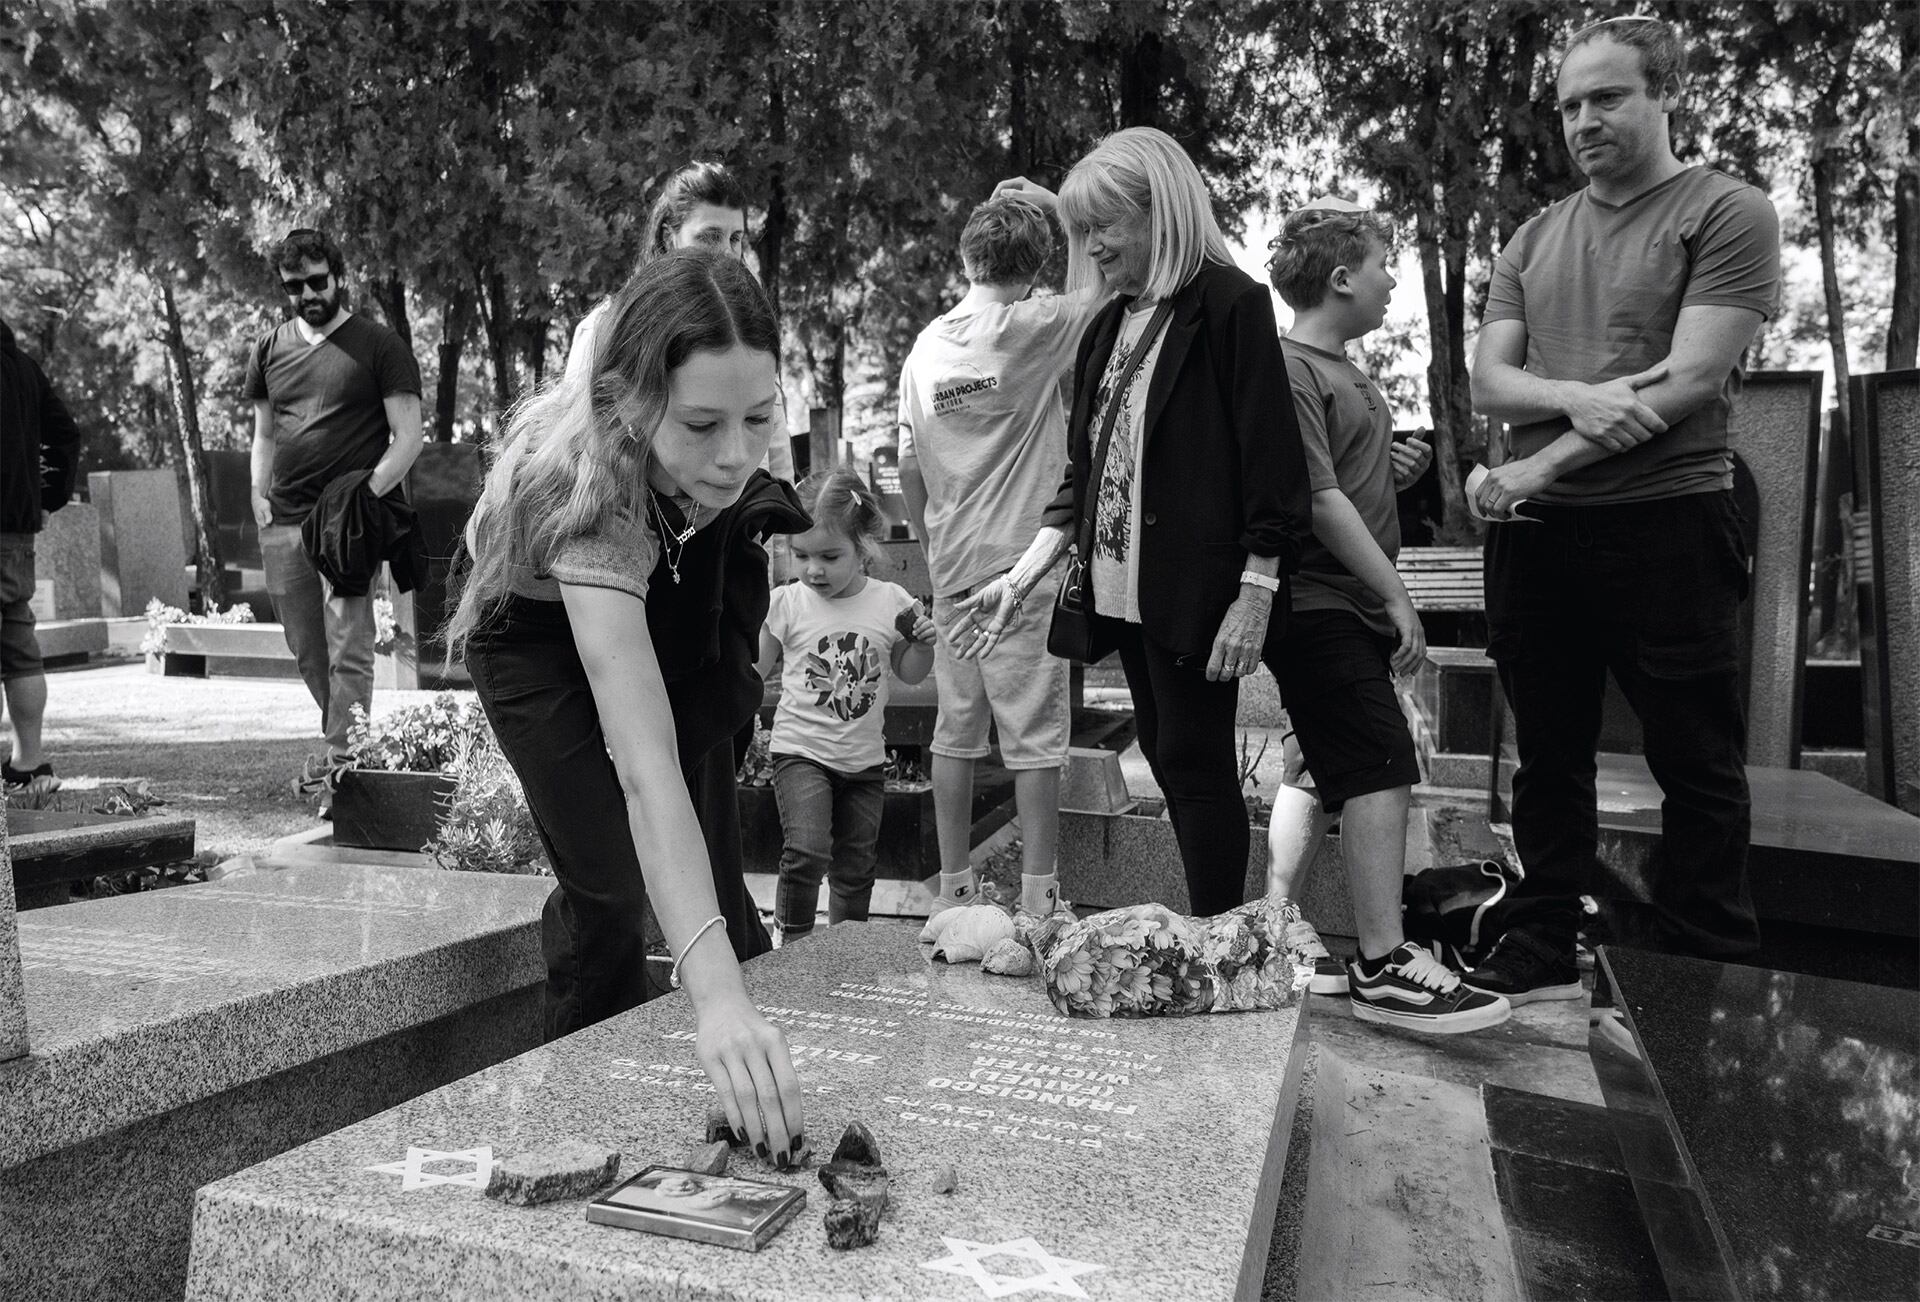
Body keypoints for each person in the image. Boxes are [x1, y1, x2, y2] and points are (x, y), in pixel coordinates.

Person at [446, 249, 808, 1165]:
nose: (734, 455)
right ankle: (575, 1091)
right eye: (701, 424)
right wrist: (720, 1000)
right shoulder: (590, 491)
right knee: (609, 884)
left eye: (758, 418)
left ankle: (682, 1033)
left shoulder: (706, 462)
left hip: (637, 601)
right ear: (632, 403)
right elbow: (645, 775)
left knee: (697, 859)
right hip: (527, 632)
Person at [1467, 15, 1780, 1002]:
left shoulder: (1727, 211)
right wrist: (1581, 397)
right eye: (1568, 105)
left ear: (1663, 94)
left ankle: (1703, 961)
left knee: (1696, 756)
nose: (1584, 121)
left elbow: (1686, 380)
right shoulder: (1531, 237)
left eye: (1608, 97)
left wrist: (1533, 468)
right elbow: (1490, 383)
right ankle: (1543, 933)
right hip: (1541, 543)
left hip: (1670, 523)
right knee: (1546, 756)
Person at [951, 127, 1311, 919]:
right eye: (1080, 231)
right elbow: (1083, 474)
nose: (1088, 248)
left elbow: (1274, 467)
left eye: (1100, 228)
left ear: (1160, 211)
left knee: (1195, 761)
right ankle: (1210, 933)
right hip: (1122, 587)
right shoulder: (1111, 322)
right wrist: (1018, 579)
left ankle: (1220, 939)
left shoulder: (1229, 303)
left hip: (1198, 588)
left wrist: (1255, 593)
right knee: (1169, 756)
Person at [1264, 202, 1507, 1033]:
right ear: (1340, 279)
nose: (1393, 277)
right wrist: (1398, 596)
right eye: (1382, 264)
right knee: (1378, 764)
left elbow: (1349, 478)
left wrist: (1394, 473)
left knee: (1352, 767)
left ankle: (1323, 945)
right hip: (1319, 601)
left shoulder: (1349, 373)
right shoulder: (1290, 368)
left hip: (1350, 603)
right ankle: (1383, 962)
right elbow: (1319, 501)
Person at [896, 191, 1103, 917]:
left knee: (957, 728)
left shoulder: (926, 347)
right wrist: (1055, 205)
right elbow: (1103, 286)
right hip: (1022, 562)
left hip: (953, 564)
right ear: (1035, 263)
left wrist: (934, 547)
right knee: (1034, 736)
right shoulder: (1035, 324)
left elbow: (908, 465)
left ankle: (954, 891)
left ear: (966, 255)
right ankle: (1039, 899)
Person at [246, 228, 424, 800]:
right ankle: (350, 746)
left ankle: (343, 766)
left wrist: (365, 495)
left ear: (338, 277)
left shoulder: (379, 345)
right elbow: (264, 433)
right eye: (294, 287)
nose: (307, 294)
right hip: (286, 519)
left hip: (348, 522)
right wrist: (256, 495)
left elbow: (409, 437)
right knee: (306, 648)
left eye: (317, 281)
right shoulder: (269, 348)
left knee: (349, 642)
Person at [756, 469, 935, 940]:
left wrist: (921, 643)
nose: (813, 569)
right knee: (807, 852)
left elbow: (911, 672)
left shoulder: (891, 601)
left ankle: (844, 948)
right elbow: (752, 670)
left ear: (864, 547)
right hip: (801, 752)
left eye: (829, 556)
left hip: (863, 763)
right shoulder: (787, 603)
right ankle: (793, 944)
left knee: (856, 866)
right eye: (801, 555)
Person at [564, 161, 794, 482]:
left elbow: (777, 459)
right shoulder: (606, 331)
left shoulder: (750, 329)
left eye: (735, 238)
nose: (726, 253)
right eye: (710, 237)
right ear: (669, 237)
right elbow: (579, 450)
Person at [0, 316, 82, 795]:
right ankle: (29, 763)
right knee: (17, 645)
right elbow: (65, 434)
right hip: (15, 529)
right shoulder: (23, 366)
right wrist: (44, 498)